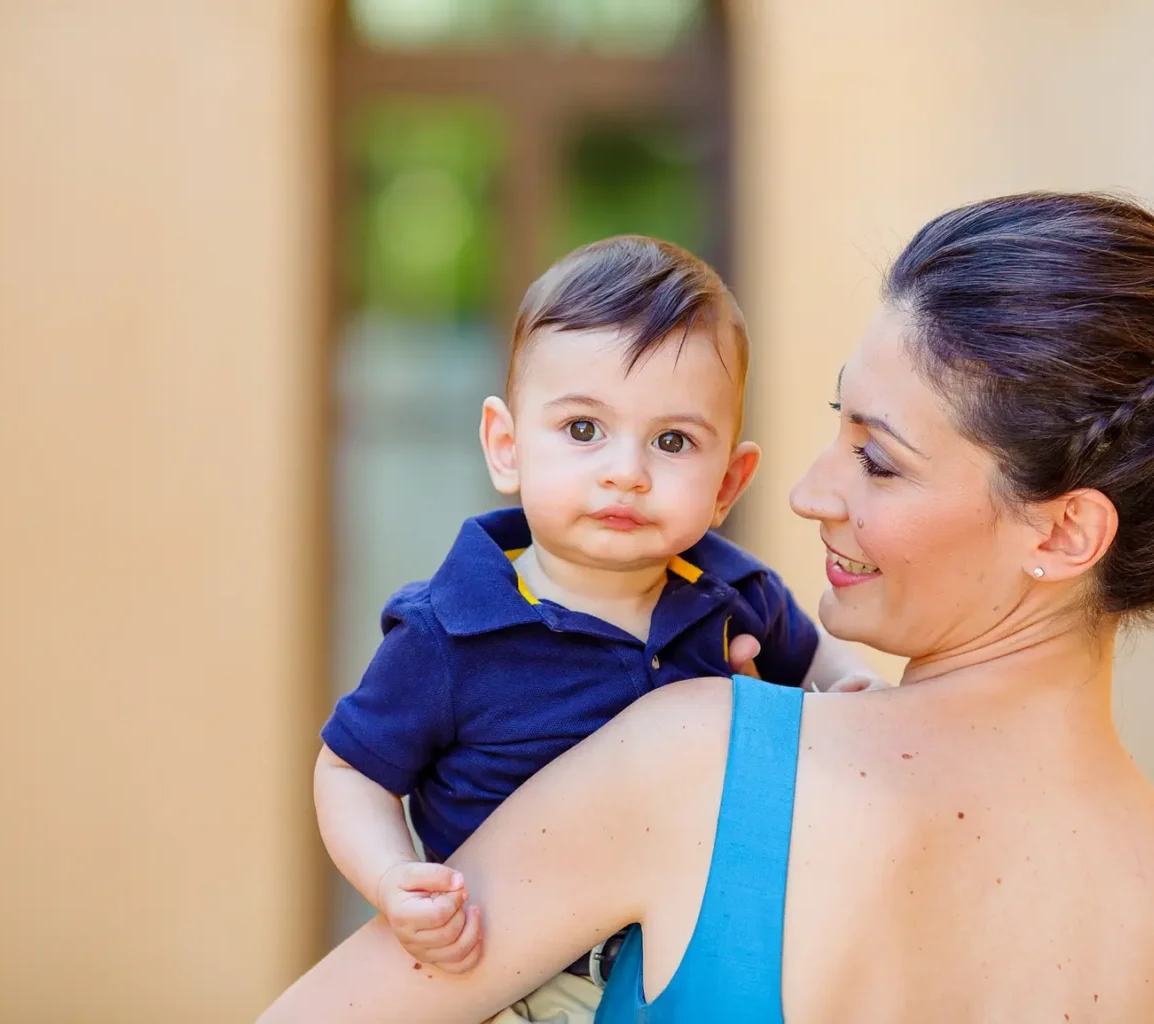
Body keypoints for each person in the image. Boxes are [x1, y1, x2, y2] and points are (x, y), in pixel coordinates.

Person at [261, 192, 1154, 1023]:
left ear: (1061, 533)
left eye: (878, 459)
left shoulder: (702, 761)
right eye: (838, 428)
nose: (810, 491)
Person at [315, 236, 880, 1024]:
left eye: (672, 441)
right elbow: (351, 770)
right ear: (507, 447)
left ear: (727, 484)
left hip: (680, 962)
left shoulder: (731, 594)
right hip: (508, 978)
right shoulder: (449, 629)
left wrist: (850, 696)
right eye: (584, 430)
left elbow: (819, 664)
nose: (626, 471)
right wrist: (390, 877)